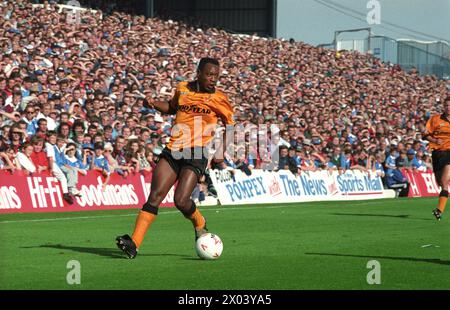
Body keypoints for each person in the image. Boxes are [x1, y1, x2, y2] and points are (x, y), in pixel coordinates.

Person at [116, 58, 234, 259]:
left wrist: (220, 153)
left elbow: (229, 126)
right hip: (173, 150)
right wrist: (153, 103)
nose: (213, 79)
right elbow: (171, 107)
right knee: (155, 196)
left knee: (181, 200)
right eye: (209, 74)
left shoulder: (219, 99)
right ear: (198, 73)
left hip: (196, 153)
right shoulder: (183, 89)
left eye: (216, 76)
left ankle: (199, 222)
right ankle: (134, 243)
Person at [423, 97, 450, 220]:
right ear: (443, 106)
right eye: (447, 105)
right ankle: (439, 208)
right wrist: (434, 140)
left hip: (449, 153)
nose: (448, 107)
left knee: (444, 182)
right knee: (439, 182)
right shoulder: (435, 119)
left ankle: (439, 211)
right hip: (437, 153)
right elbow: (425, 135)